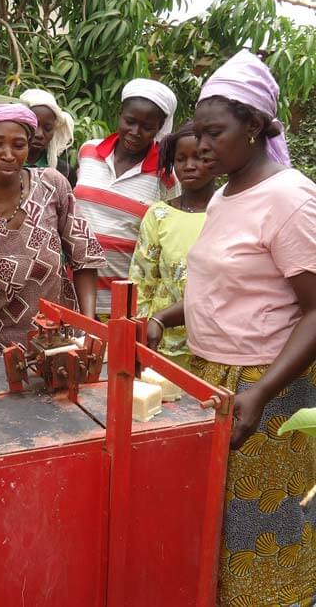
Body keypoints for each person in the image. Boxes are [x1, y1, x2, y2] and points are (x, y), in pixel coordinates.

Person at [147, 50, 316, 606]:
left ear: (255, 129)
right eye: (200, 132)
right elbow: (223, 286)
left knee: (261, 528)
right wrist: (161, 318)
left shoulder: (290, 199)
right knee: (215, 518)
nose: (204, 145)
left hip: (268, 385)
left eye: (216, 133)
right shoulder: (225, 194)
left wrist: (262, 392)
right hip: (213, 376)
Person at [0, 96, 105, 358]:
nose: (8, 155)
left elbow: (84, 257)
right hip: (5, 354)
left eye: (18, 145)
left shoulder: (52, 185)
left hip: (66, 342)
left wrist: (89, 329)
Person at [74, 78, 179, 317]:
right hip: (71, 291)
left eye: (147, 126)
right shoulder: (88, 151)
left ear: (160, 127)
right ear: (120, 114)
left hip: (122, 301)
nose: (135, 132)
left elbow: (166, 236)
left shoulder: (166, 175)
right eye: (129, 121)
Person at [129, 122, 215, 369]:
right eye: (181, 159)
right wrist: (140, 330)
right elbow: (142, 280)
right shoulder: (159, 215)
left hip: (213, 344)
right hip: (162, 341)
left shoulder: (229, 212)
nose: (189, 166)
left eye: (199, 157)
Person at [19, 88, 76, 186]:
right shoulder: (6, 164)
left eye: (48, 128)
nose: (39, 134)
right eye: (34, 126)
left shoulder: (63, 171)